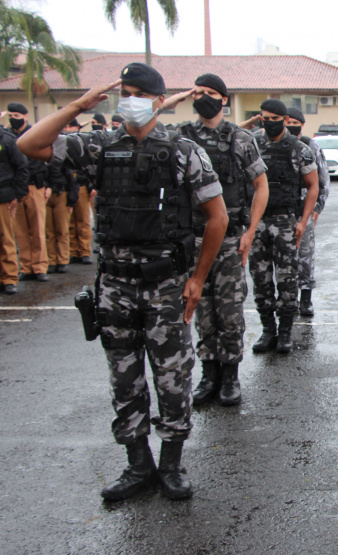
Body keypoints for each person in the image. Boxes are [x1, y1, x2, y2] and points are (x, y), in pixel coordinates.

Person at [16, 62, 228, 501]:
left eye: (134, 92)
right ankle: (137, 465)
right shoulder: (98, 147)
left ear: (156, 100)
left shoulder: (184, 150)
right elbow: (28, 144)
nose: (125, 98)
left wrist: (198, 278)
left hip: (166, 284)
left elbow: (217, 217)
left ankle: (171, 464)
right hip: (114, 285)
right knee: (124, 379)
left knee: (173, 377)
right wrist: (78, 104)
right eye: (122, 91)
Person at [160, 73, 269, 406]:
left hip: (228, 241)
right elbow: (146, 125)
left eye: (210, 93)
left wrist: (251, 230)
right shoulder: (179, 136)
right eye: (197, 93)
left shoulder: (240, 138)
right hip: (190, 240)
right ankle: (209, 374)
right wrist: (172, 100)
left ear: (224, 99)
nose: (202, 98)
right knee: (200, 310)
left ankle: (231, 376)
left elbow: (261, 186)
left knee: (230, 311)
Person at [249, 99, 319, 354]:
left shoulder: (298, 148)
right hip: (257, 222)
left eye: (273, 118)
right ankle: (268, 331)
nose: (268, 122)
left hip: (286, 221)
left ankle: (286, 333)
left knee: (287, 279)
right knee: (260, 278)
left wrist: (303, 221)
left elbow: (313, 185)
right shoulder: (252, 145)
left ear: (284, 119)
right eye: (263, 118)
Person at [285, 107, 329, 317]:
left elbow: (322, 180)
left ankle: (306, 300)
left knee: (305, 256)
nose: (290, 125)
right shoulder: (279, 144)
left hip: (306, 209)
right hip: (284, 210)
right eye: (287, 121)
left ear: (302, 124)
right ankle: (288, 299)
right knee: (285, 257)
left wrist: (317, 208)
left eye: (294, 122)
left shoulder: (311, 146)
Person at [8, 103, 50, 282]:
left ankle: (40, 266)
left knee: (38, 229)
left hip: (35, 186)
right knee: (21, 231)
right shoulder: (8, 136)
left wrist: (49, 185)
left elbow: (46, 162)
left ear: (25, 116)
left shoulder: (36, 134)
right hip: (15, 189)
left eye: (16, 115)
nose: (13, 119)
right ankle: (26, 266)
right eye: (10, 115)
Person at [44, 122, 79, 274]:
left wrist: (71, 199)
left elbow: (72, 178)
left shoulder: (62, 152)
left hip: (61, 193)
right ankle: (51, 260)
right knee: (49, 231)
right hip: (46, 194)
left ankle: (63, 259)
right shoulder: (41, 154)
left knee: (62, 230)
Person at [0, 124, 30, 294]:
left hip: (3, 195)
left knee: (6, 239)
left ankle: (9, 278)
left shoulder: (7, 140)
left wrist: (17, 195)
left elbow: (21, 167)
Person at [65, 118, 95, 266]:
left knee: (83, 220)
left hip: (81, 185)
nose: (68, 129)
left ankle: (84, 251)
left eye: (70, 126)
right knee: (71, 221)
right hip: (68, 185)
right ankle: (74, 251)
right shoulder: (64, 144)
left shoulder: (83, 143)